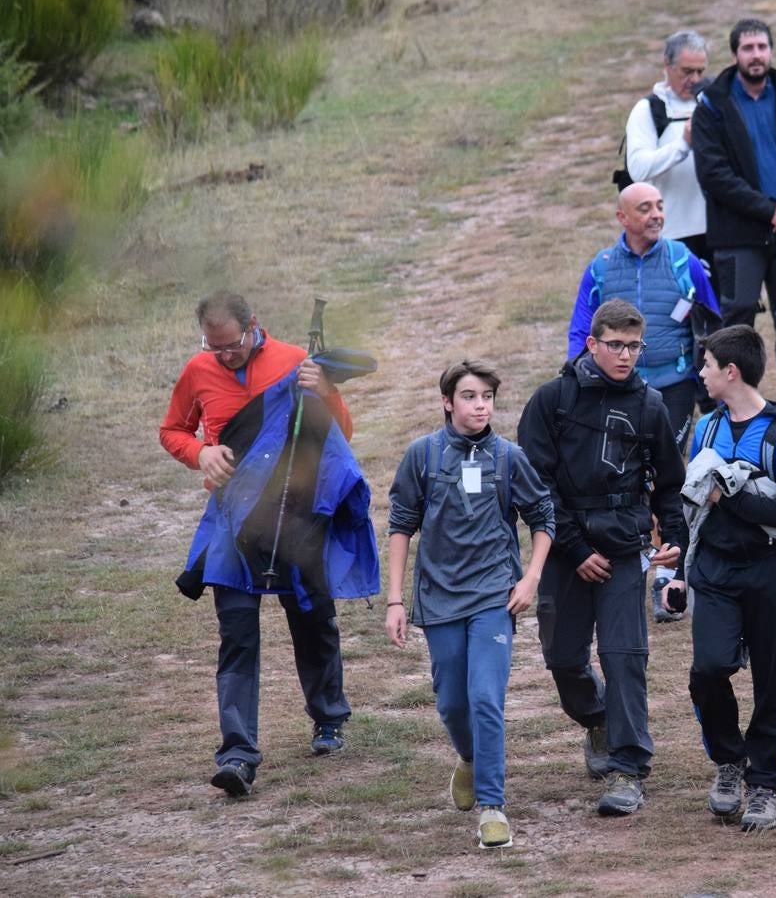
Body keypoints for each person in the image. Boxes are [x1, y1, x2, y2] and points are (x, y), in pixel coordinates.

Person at [160, 291, 379, 798]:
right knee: (236, 635)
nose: (224, 355)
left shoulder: (294, 362)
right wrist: (201, 452)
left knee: (312, 618)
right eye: (214, 347)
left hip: (295, 516)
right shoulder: (198, 371)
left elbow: (339, 435)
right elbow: (172, 430)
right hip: (233, 523)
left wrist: (325, 391)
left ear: (252, 326)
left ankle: (329, 719)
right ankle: (237, 754)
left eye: (231, 345)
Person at [518, 299, 688, 817]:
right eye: (615, 344)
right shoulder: (552, 400)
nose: (626, 355)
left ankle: (628, 768)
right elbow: (534, 486)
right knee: (564, 658)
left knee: (624, 657)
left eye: (634, 346)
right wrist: (574, 547)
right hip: (565, 551)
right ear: (592, 344)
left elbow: (669, 483)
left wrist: (674, 534)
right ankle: (598, 719)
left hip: (624, 548)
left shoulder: (650, 405)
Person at [384, 359, 555, 849]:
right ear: (447, 402)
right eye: (469, 396)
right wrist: (395, 599)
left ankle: (492, 807)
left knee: (485, 697)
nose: (480, 405)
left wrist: (530, 578)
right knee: (452, 701)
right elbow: (400, 525)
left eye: (487, 397)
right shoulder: (422, 456)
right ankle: (469, 757)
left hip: (492, 596)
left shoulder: (508, 457)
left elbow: (544, 516)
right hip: (438, 599)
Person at [661, 324, 776, 832]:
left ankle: (765, 784)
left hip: (773, 573)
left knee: (774, 683)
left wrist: (733, 498)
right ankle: (730, 763)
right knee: (708, 670)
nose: (698, 373)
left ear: (731, 372)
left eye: (705, 365)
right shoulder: (706, 429)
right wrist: (680, 574)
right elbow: (693, 510)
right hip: (716, 572)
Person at [692, 17, 776, 432]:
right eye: (747, 48)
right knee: (735, 324)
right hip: (737, 236)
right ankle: (733, 408)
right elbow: (713, 174)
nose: (756, 55)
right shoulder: (713, 104)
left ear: (770, 51)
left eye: (762, 47)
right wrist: (768, 209)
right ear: (735, 55)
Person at [568, 182, 719, 453]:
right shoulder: (600, 268)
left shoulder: (684, 261)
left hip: (675, 386)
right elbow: (581, 329)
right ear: (622, 217)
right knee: (620, 465)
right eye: (645, 208)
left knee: (665, 465)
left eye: (660, 206)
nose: (657, 214)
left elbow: (712, 323)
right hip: (616, 385)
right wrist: (574, 376)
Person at [622, 30, 710, 263]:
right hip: (671, 234)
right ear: (666, 64)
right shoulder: (648, 110)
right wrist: (684, 144)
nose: (694, 79)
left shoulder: (713, 104)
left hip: (719, 232)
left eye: (700, 71)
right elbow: (638, 169)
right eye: (687, 71)